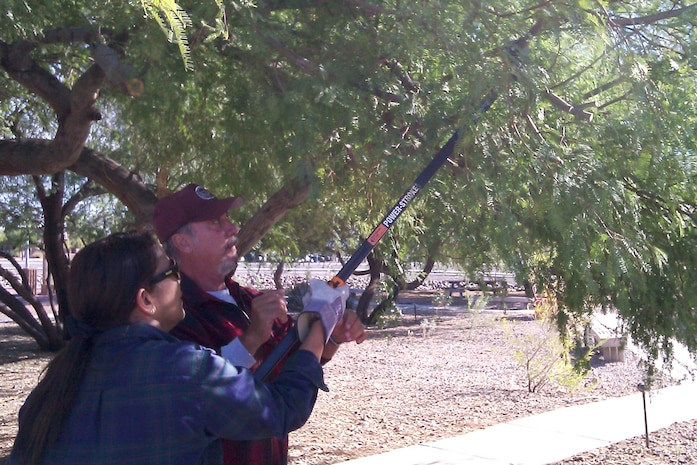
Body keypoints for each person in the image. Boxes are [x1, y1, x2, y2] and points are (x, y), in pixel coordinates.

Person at [9, 232, 334, 465]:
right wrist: (317, 327)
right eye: (171, 272)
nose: (180, 279)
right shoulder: (183, 370)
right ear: (145, 300)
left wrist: (252, 339)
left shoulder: (47, 394)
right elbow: (283, 408)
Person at [153, 184, 367, 465]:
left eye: (228, 219)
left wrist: (331, 336)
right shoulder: (174, 317)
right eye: (217, 222)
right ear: (183, 242)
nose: (232, 229)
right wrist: (253, 337)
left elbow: (298, 363)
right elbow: (200, 394)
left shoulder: (250, 299)